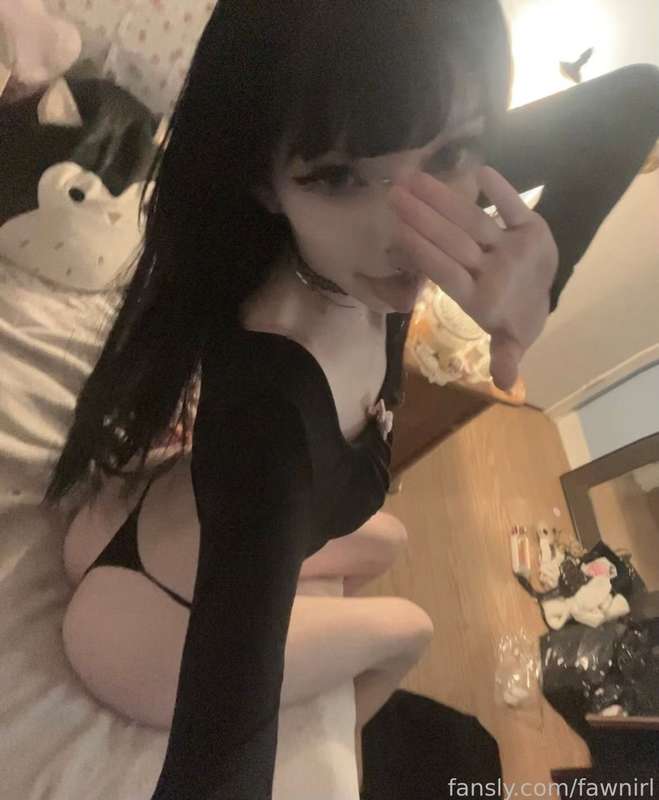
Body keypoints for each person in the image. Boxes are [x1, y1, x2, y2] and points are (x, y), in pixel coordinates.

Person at [43, 1, 659, 797]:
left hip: (154, 523)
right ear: (261, 181)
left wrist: (545, 275)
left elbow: (637, 99)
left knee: (389, 538)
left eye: (450, 153)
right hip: (143, 628)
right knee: (410, 628)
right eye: (337, 177)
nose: (406, 234)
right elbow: (216, 768)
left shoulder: (394, 165)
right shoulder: (269, 419)